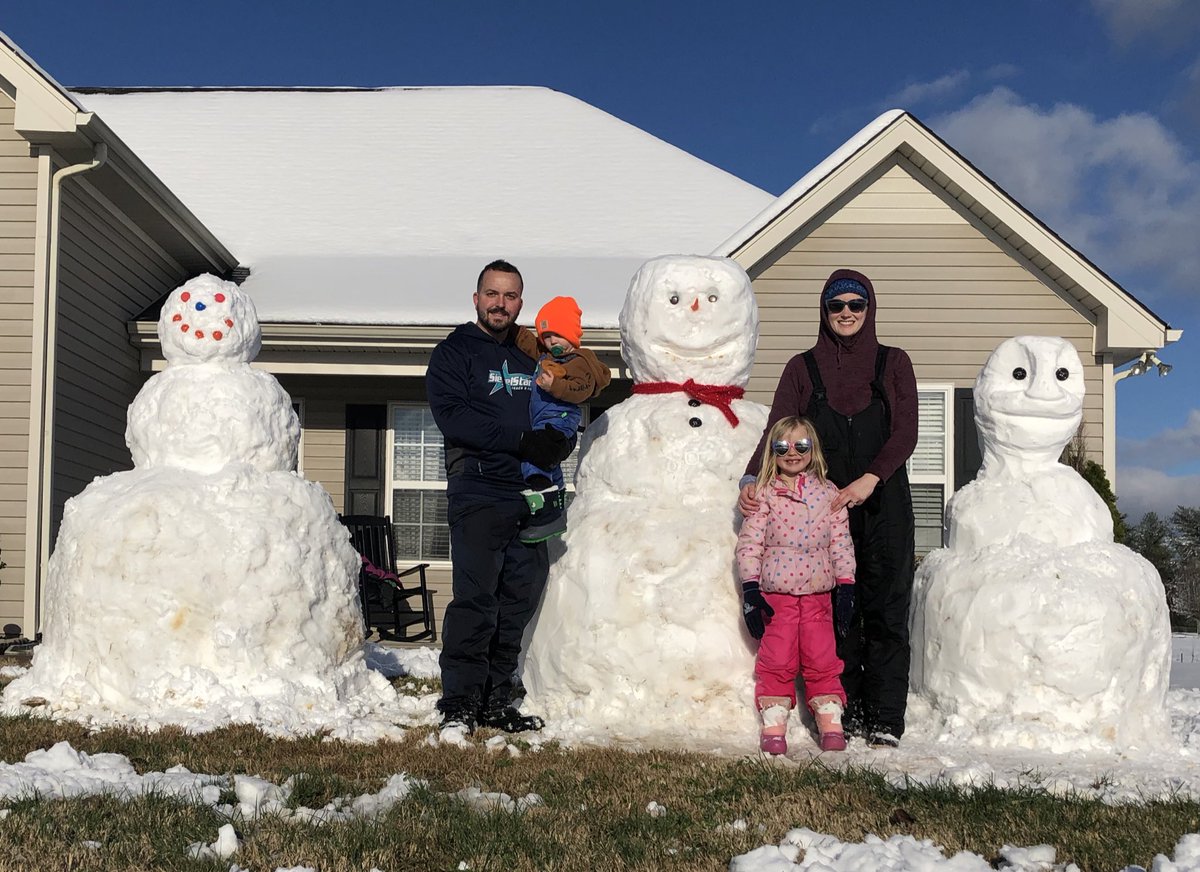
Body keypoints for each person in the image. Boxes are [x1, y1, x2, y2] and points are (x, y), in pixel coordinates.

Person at [738, 269, 917, 747]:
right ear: (824, 311)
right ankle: (845, 711)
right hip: (825, 510)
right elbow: (778, 428)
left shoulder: (894, 363)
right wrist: (751, 479)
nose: (846, 313)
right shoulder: (803, 368)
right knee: (839, 613)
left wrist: (870, 479)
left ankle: (885, 718)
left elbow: (906, 432)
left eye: (856, 304)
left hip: (883, 508)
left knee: (885, 610)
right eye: (836, 305)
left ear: (869, 309)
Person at [426, 260, 575, 734]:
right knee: (476, 599)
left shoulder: (533, 352)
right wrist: (521, 440)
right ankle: (460, 702)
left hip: (530, 493)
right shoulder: (454, 353)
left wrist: (557, 441)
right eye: (492, 294)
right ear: (476, 299)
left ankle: (496, 699)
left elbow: (562, 401)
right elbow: (455, 419)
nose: (500, 304)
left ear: (520, 303)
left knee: (517, 599)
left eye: (510, 296)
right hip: (479, 489)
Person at [737, 416, 855, 755]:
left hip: (818, 594)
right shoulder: (763, 494)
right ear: (772, 452)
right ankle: (774, 722)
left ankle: (829, 719)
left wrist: (846, 586)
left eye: (801, 446)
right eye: (782, 446)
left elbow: (841, 543)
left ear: (812, 450)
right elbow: (750, 544)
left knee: (822, 658)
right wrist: (750, 589)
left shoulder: (829, 493)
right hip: (777, 596)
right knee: (777, 658)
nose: (792, 453)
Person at [513, 295, 611, 544]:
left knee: (536, 456)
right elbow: (528, 344)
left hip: (561, 420)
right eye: (546, 336)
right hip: (542, 420)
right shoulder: (546, 356)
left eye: (557, 335)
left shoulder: (580, 361)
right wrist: (514, 331)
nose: (551, 341)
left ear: (570, 334)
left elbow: (580, 390)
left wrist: (555, 386)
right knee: (550, 465)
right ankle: (555, 512)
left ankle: (544, 507)